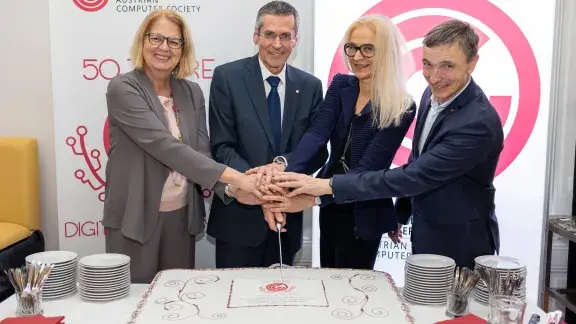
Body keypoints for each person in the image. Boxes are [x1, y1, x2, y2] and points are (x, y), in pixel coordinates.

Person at [270, 19, 504, 269]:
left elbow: (413, 175)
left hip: (460, 241)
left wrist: (316, 194)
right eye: (427, 64)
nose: (434, 77)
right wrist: (283, 167)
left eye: (447, 66)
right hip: (418, 228)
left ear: (472, 63)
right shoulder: (432, 94)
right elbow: (418, 157)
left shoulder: (474, 123)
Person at [103, 9, 260, 283]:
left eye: (174, 41)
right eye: (156, 38)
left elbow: (200, 154)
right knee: (134, 304)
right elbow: (166, 147)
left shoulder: (191, 92)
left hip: (181, 216)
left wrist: (232, 189)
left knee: (175, 301)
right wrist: (238, 177)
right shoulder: (122, 88)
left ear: (182, 49)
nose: (164, 48)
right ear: (143, 41)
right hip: (135, 217)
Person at [252, 15, 415, 270]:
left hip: (364, 212)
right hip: (330, 208)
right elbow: (317, 134)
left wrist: (315, 198)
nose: (357, 57)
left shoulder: (402, 107)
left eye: (368, 48)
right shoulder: (341, 85)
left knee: (355, 294)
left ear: (386, 52)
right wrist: (284, 165)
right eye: (352, 47)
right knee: (328, 281)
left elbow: (368, 169)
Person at [207, 1, 328, 268]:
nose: (277, 44)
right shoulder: (227, 77)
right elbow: (222, 147)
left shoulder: (310, 86)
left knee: (281, 305)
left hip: (287, 220)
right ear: (256, 36)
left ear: (295, 40)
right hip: (238, 222)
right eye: (269, 34)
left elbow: (317, 150)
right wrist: (263, 192)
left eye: (285, 36)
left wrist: (276, 189)